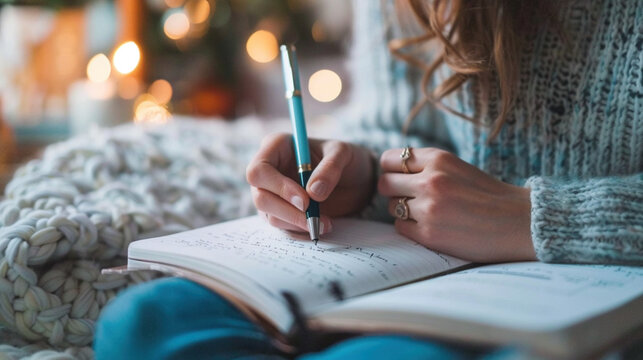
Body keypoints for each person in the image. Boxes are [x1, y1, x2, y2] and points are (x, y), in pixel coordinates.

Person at [94, 0, 643, 358]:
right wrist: (358, 170)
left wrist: (535, 219)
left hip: (582, 293)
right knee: (145, 321)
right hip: (432, 273)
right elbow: (397, 127)